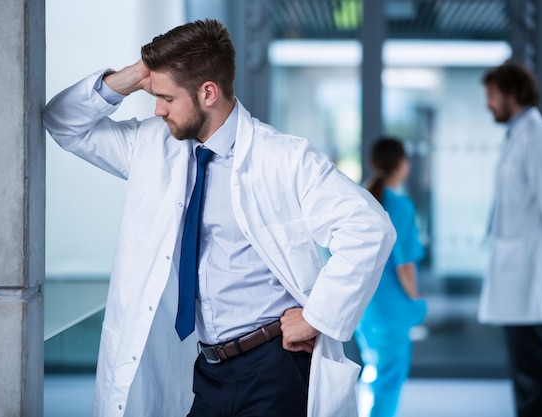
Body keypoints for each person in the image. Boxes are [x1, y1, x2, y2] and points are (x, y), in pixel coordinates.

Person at [43, 19, 395, 417]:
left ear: (208, 92)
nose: (157, 109)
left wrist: (317, 317)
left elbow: (369, 228)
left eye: (167, 98)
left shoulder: (285, 158)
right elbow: (63, 122)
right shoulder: (153, 146)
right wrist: (138, 73)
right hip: (207, 368)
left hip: (273, 365)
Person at [478, 61, 542, 417]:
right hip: (518, 272)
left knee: (534, 369)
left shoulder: (537, 135)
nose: (488, 103)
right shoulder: (519, 135)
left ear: (512, 93)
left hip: (532, 274)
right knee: (526, 369)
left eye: (491, 95)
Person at [354, 137, 426, 417]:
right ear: (401, 164)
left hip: (363, 308)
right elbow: (405, 266)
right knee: (388, 381)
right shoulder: (401, 207)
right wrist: (417, 299)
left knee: (373, 372)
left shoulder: (360, 198)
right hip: (391, 310)